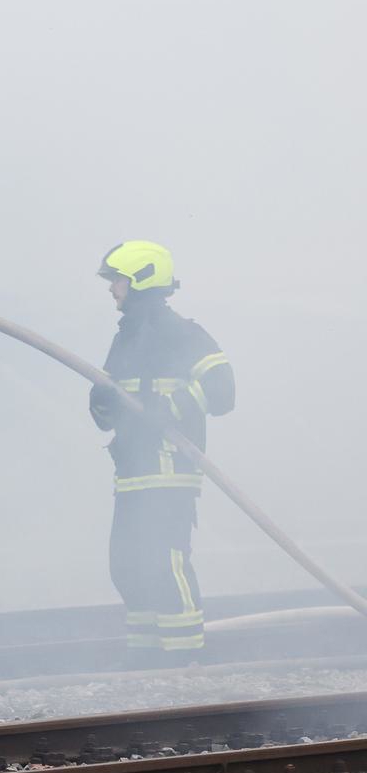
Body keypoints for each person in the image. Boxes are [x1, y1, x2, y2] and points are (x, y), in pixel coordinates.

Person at [89, 241, 235, 664]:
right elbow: (112, 399)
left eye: (117, 279)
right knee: (127, 566)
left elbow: (223, 390)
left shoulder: (182, 333)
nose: (111, 288)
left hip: (168, 470)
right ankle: (147, 658)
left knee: (165, 563)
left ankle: (185, 664)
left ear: (139, 280)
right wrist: (100, 404)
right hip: (132, 472)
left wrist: (168, 409)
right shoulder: (127, 337)